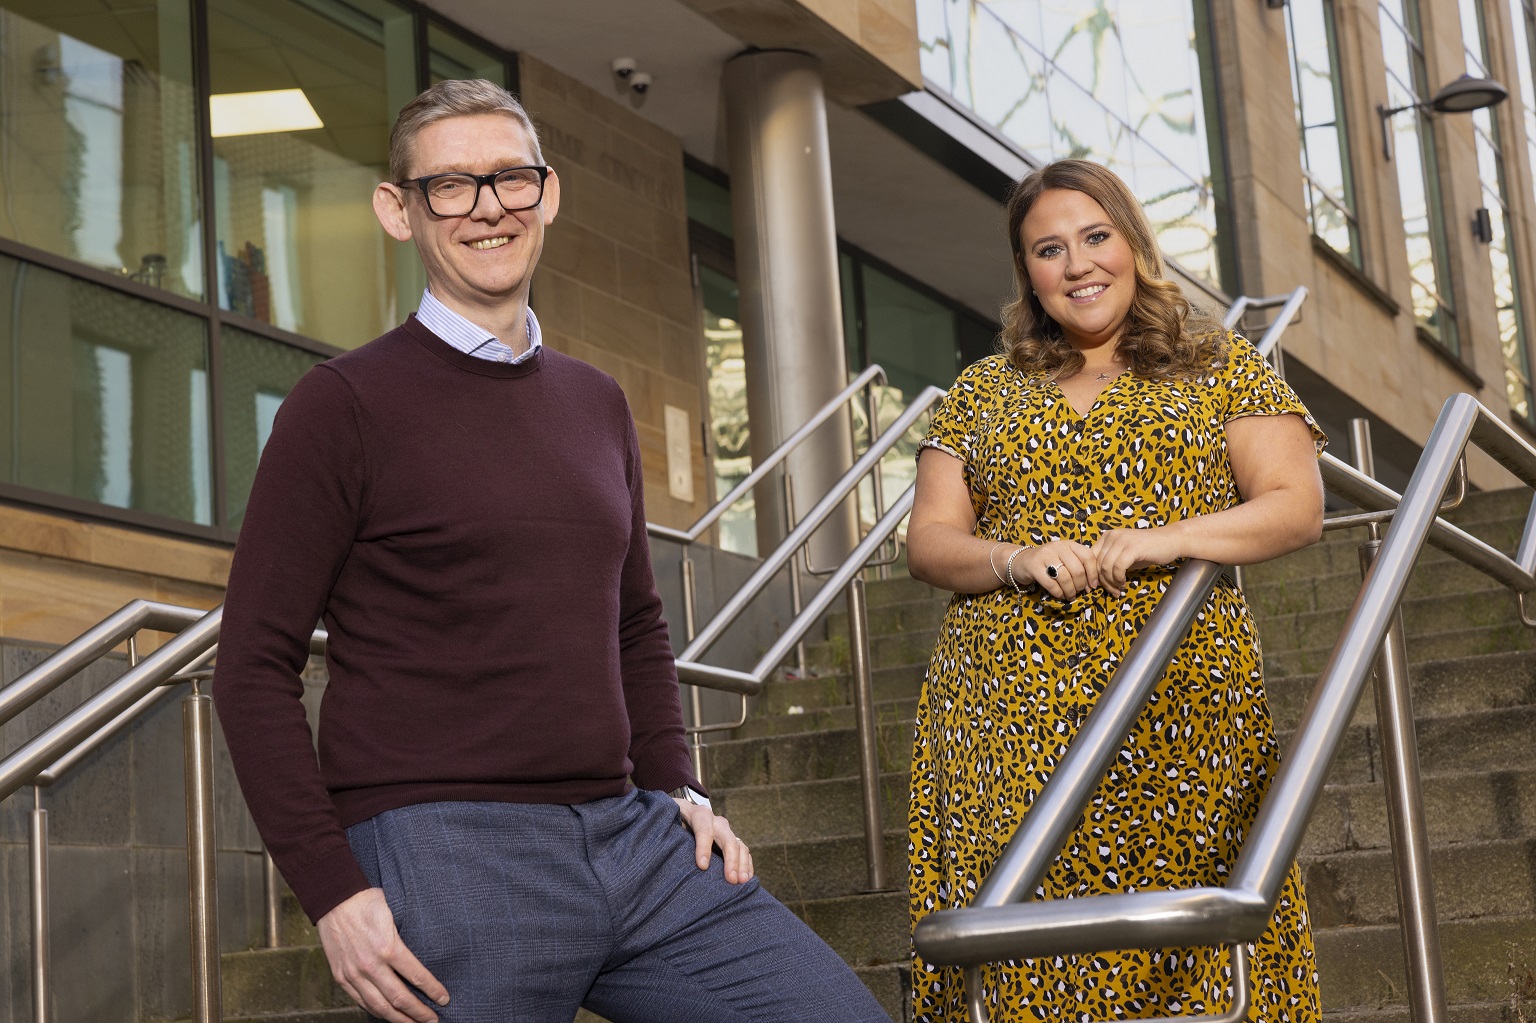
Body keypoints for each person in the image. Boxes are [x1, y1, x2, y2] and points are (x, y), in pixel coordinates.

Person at [212, 78, 888, 1023]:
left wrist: (678, 786)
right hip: (446, 840)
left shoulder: (598, 401)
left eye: (510, 178)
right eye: (450, 186)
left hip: (633, 836)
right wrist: (331, 888)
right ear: (398, 211)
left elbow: (638, 623)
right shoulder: (343, 406)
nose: (488, 206)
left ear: (549, 194)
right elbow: (250, 667)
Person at [904, 159, 1326, 1022]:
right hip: (1004, 715)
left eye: (1095, 236)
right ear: (1028, 273)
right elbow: (929, 539)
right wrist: (1016, 557)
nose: (1078, 263)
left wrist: (1165, 539)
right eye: (1048, 249)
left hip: (1175, 700)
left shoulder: (1214, 360)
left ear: (1131, 242)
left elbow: (1296, 505)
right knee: (1023, 948)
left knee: (1192, 937)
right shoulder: (986, 389)